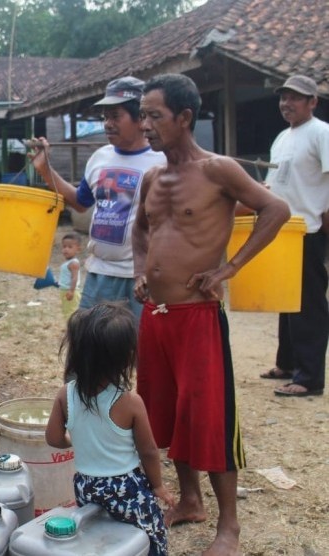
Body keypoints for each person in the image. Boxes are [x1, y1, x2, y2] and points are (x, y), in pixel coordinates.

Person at [132, 73, 290, 555]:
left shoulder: (219, 170)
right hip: (156, 315)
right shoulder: (152, 177)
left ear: (184, 118)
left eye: (154, 116)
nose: (146, 126)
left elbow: (276, 209)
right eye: (143, 116)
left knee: (209, 417)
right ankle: (190, 501)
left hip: (198, 315)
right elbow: (140, 231)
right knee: (171, 412)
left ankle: (229, 528)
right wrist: (140, 270)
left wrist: (229, 268)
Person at [30, 76, 166, 322]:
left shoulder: (163, 162)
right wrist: (45, 170)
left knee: (141, 352)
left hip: (141, 279)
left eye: (116, 116)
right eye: (105, 117)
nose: (107, 124)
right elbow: (80, 202)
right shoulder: (99, 158)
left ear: (141, 117)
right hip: (99, 274)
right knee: (90, 348)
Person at [46, 302, 176, 556]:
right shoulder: (130, 402)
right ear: (126, 357)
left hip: (86, 485)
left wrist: (77, 440)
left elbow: (53, 438)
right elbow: (148, 450)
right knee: (148, 535)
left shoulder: (65, 395)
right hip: (125, 486)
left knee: (98, 535)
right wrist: (158, 486)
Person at [260, 75, 329, 397]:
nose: (287, 104)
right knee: (285, 299)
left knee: (308, 306)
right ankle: (287, 363)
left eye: (295, 98)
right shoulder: (281, 138)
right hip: (284, 230)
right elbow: (274, 185)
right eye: (283, 97)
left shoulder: (321, 132)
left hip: (309, 228)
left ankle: (310, 377)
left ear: (312, 101)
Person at [56, 233, 82, 319]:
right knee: (67, 310)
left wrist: (71, 290)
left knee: (71, 312)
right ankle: (70, 327)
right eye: (64, 246)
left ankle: (72, 329)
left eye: (70, 247)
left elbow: (74, 278)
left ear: (78, 250)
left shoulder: (73, 263)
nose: (66, 249)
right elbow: (66, 276)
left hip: (70, 291)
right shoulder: (68, 262)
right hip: (65, 290)